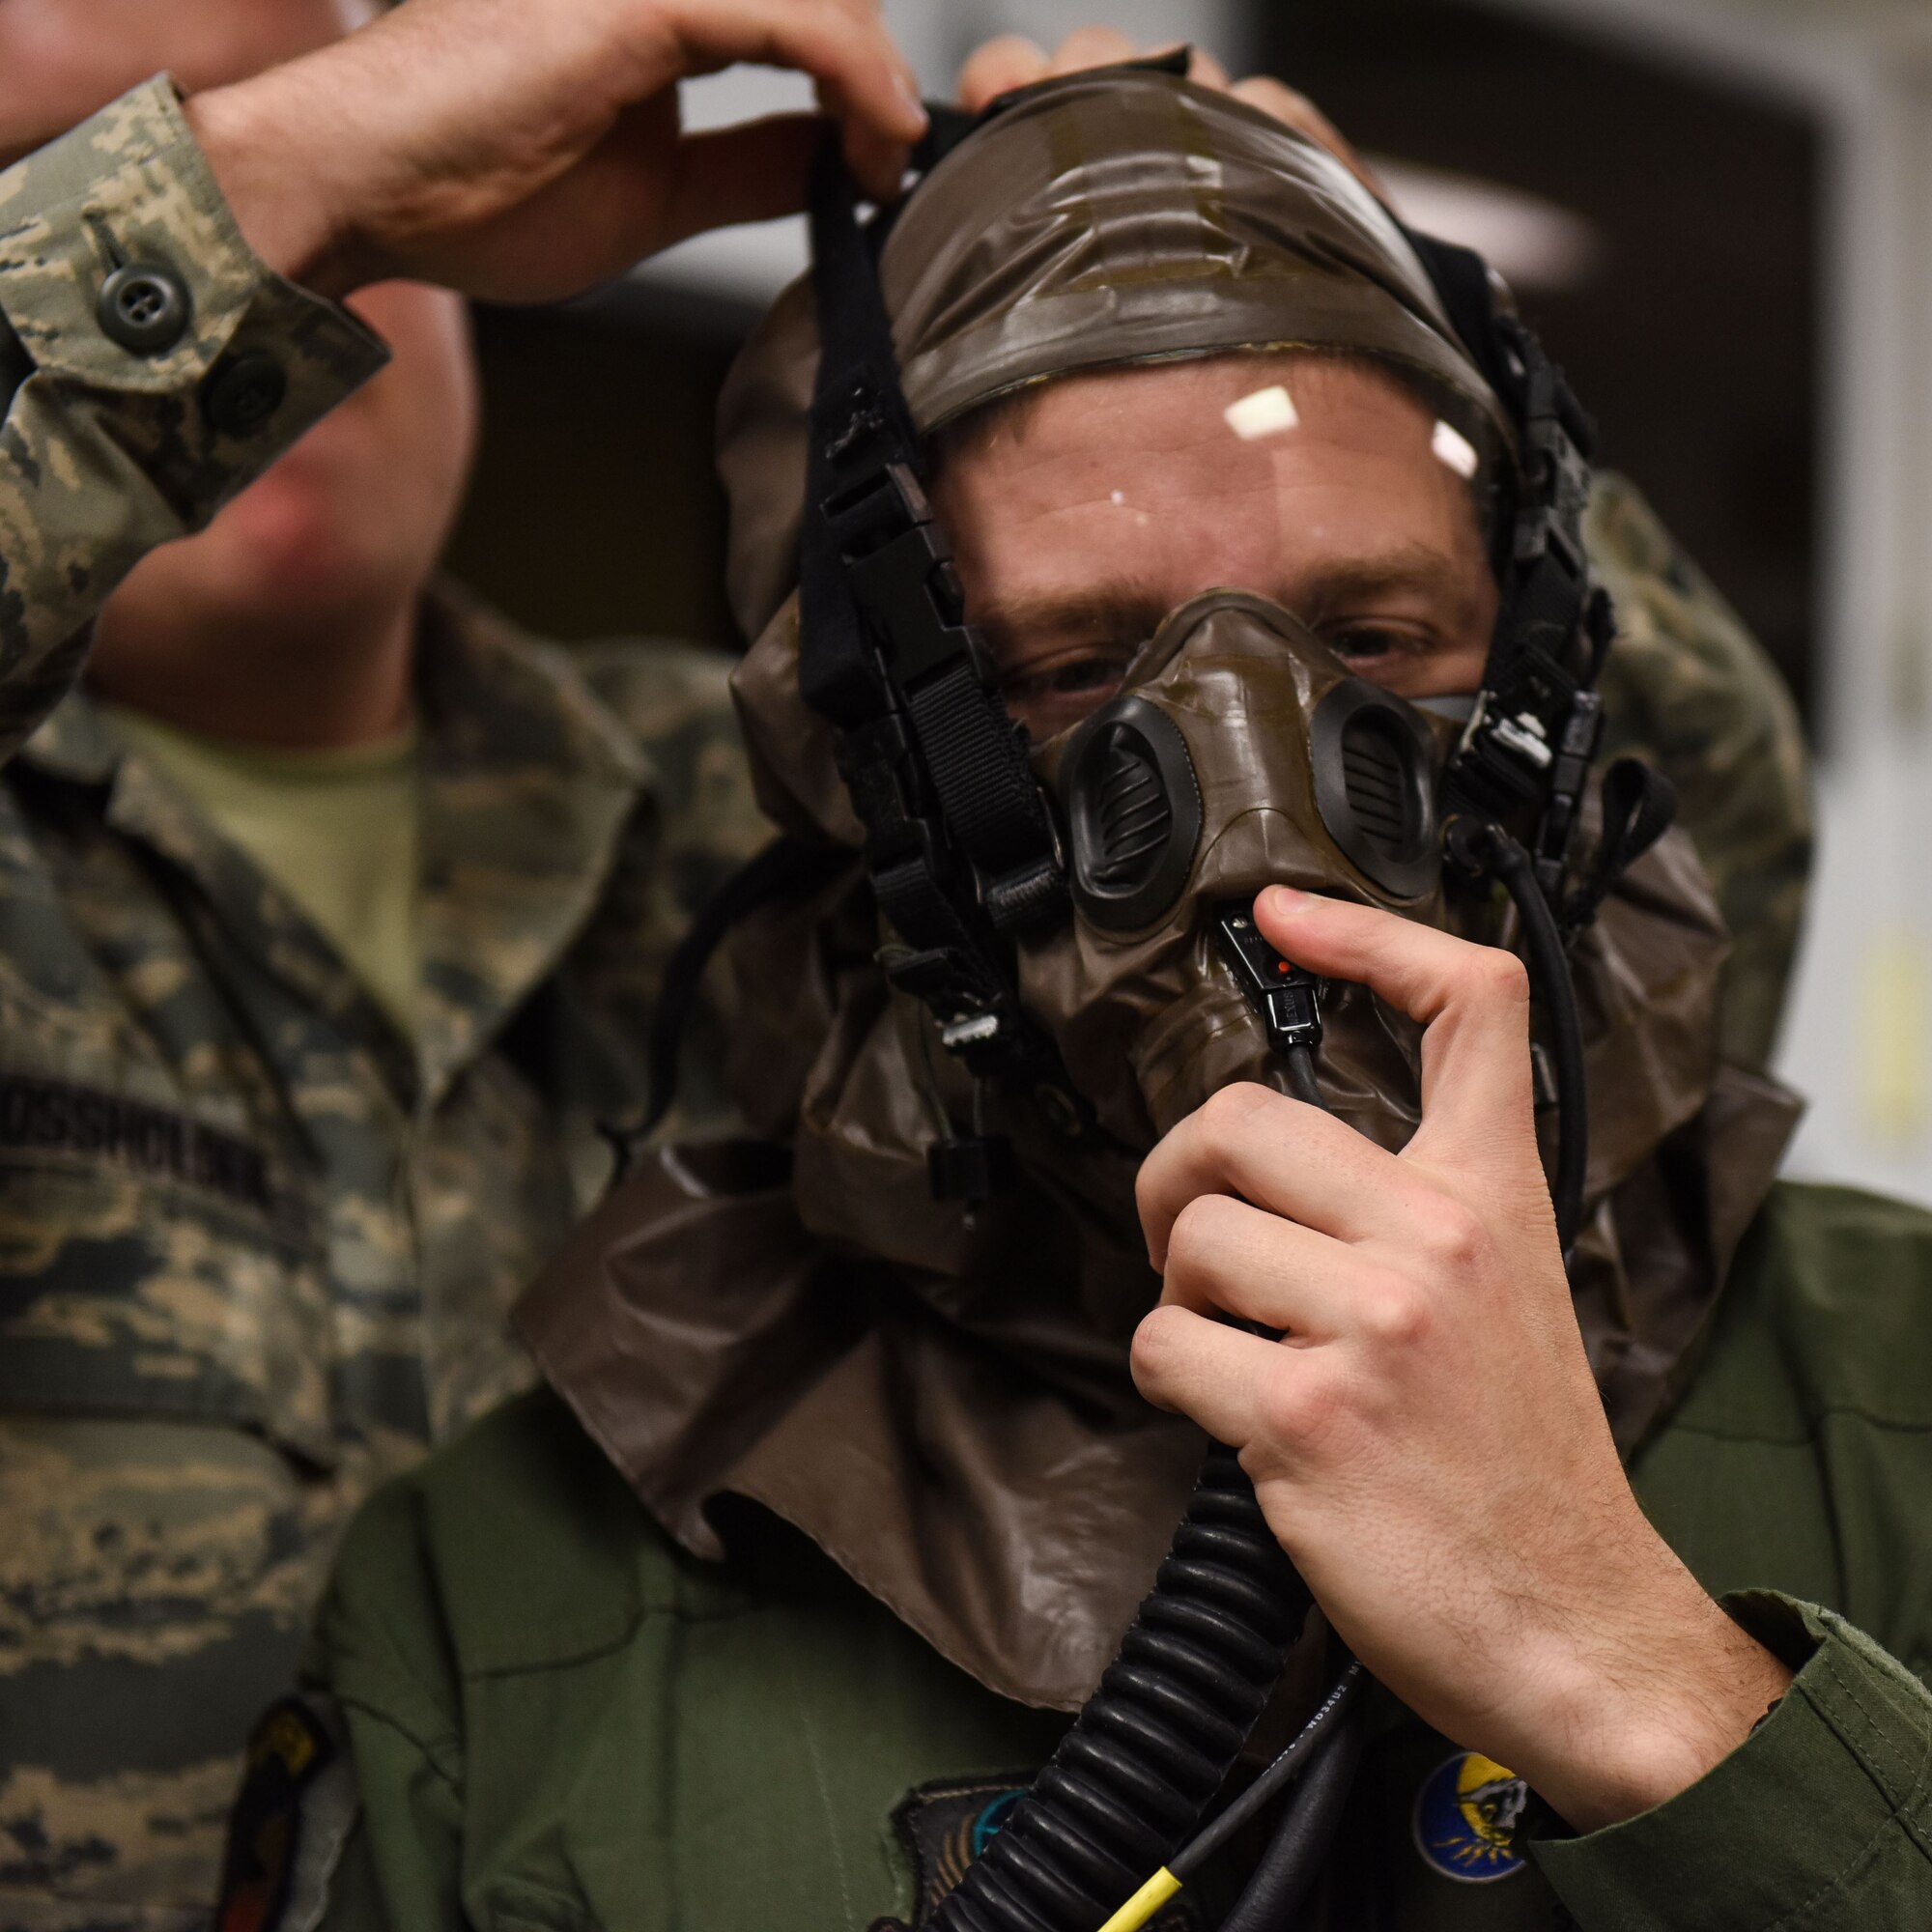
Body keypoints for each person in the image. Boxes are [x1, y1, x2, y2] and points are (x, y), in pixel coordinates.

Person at [265, 53, 1932, 1932]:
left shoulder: (1894, 1394)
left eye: (1374, 638)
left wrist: (1622, 1657)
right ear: (857, 773)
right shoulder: (504, 1603)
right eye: (1071, 666)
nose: (1253, 806)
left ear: (1543, 688)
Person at [0, 1, 923, 1924]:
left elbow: (1657, 860)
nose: (282, 303)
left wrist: (1276, 294)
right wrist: (296, 172)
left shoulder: (754, 808)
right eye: (82, 178)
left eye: (372, 234)